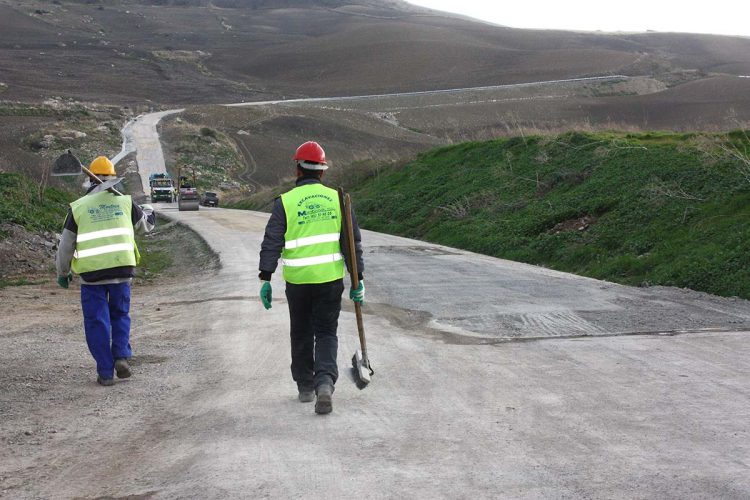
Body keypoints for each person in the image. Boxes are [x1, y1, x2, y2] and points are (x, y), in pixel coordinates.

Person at [258, 141, 365, 415]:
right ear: (322, 171)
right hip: (329, 281)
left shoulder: (285, 202)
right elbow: (351, 243)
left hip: (298, 282)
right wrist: (358, 278)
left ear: (297, 169)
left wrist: (266, 277)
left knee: (301, 332)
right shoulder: (339, 200)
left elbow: (272, 241)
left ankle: (306, 387)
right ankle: (325, 384)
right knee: (326, 332)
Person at [55, 156, 156, 386]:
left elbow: (66, 245)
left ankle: (105, 371)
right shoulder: (125, 203)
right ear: (113, 179)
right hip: (122, 270)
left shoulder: (79, 208)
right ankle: (121, 356)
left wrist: (62, 272)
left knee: (96, 321)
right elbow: (146, 226)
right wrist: (148, 210)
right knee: (120, 315)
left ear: (89, 179)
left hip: (92, 276)